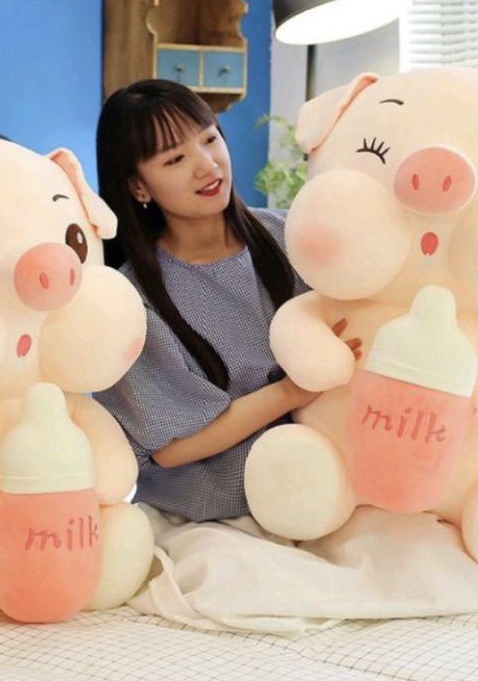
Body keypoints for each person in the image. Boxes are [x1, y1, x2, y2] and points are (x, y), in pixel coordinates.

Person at [93, 79, 362, 523]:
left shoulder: (292, 236)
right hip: (207, 515)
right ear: (139, 187)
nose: (207, 165)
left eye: (209, 139)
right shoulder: (130, 301)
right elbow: (173, 447)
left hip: (325, 489)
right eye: (175, 159)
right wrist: (293, 390)